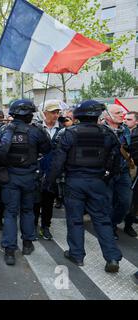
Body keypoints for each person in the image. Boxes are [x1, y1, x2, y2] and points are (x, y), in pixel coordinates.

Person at [45, 100, 123, 273]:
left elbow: (58, 161)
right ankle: (112, 257)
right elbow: (116, 161)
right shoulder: (108, 134)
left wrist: (50, 181)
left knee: (75, 219)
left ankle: (77, 255)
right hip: (97, 181)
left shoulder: (69, 133)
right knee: (102, 220)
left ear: (79, 115)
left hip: (74, 181)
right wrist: (106, 179)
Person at [0, 99, 52, 266]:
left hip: (10, 178)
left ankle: (10, 251)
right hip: (29, 177)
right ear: (29, 115)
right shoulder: (36, 131)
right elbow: (47, 149)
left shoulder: (3, 130)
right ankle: (27, 244)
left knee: (10, 213)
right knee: (28, 211)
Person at [35, 100, 64, 240]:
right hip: (37, 170)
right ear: (44, 113)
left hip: (54, 171)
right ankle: (33, 225)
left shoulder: (64, 129)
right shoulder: (36, 128)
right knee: (35, 200)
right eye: (53, 112)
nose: (56, 115)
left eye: (57, 112)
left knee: (48, 201)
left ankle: (45, 226)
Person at [103, 104, 133, 240]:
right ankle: (109, 228)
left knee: (125, 202)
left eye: (122, 112)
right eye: (118, 112)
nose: (122, 114)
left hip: (123, 171)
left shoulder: (126, 129)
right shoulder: (100, 130)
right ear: (107, 116)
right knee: (107, 202)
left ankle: (113, 222)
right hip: (106, 173)